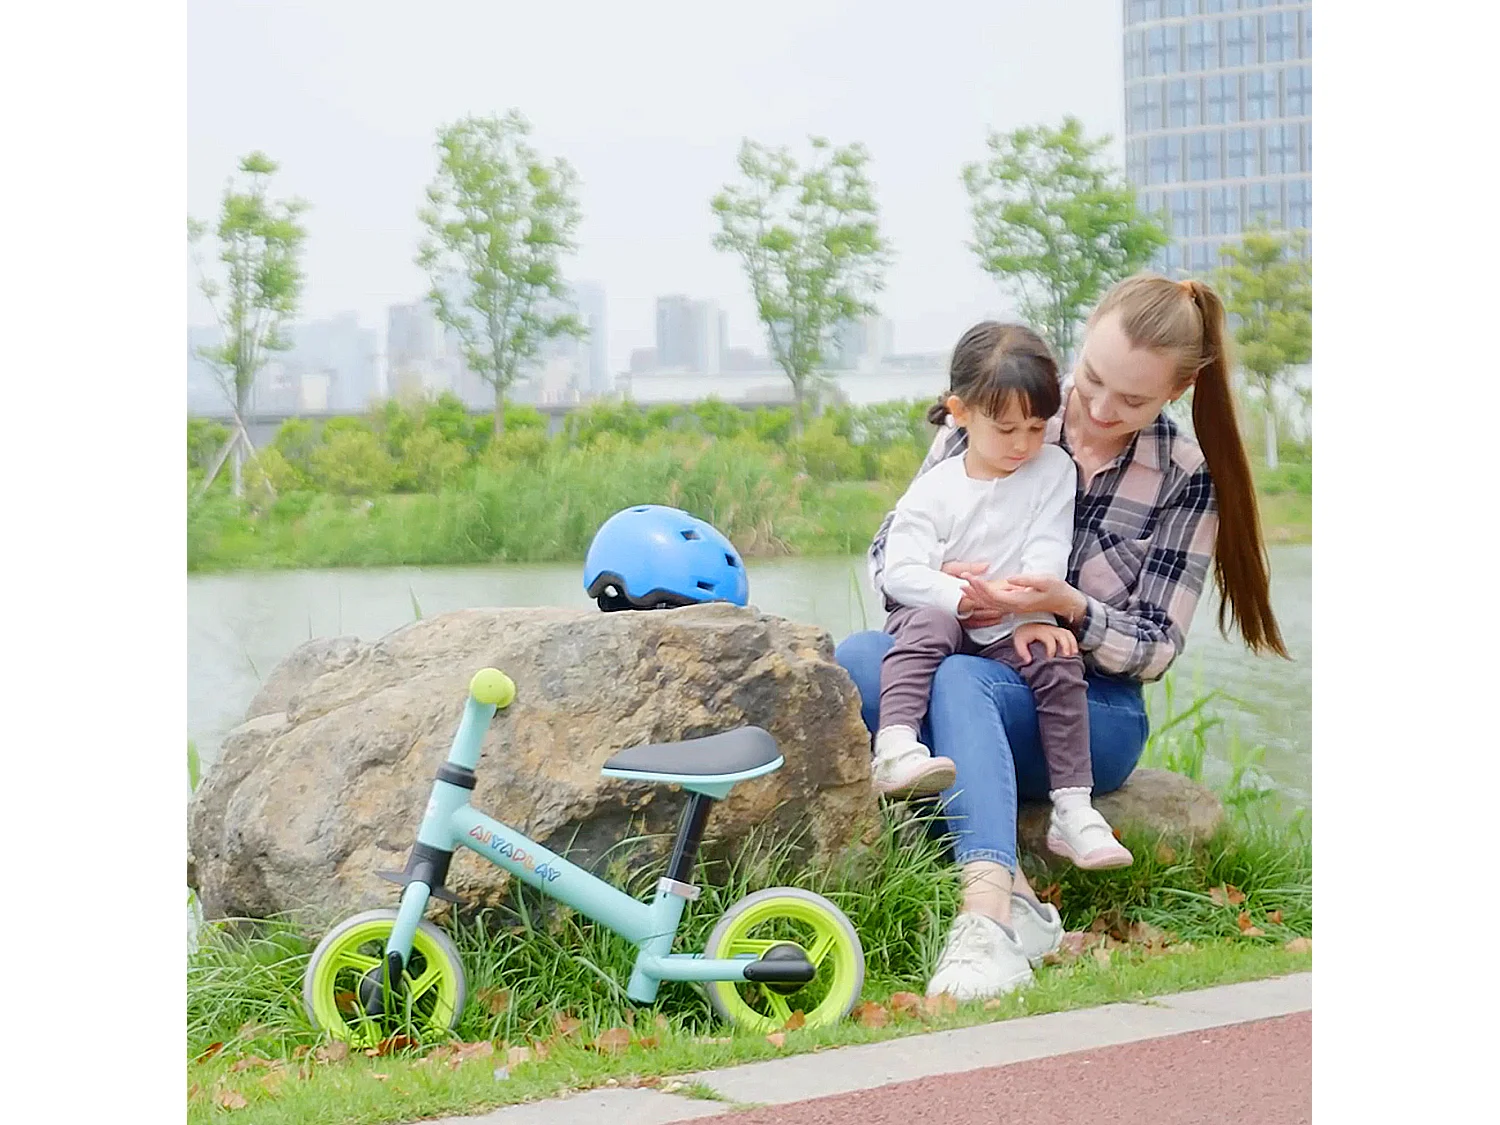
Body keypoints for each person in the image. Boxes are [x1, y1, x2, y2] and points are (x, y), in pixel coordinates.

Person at [837, 273, 1287, 1002]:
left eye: (1132, 400)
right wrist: (941, 578)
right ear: (1082, 340)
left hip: (1086, 707)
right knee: (858, 660)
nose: (1102, 409)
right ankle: (1018, 896)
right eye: (1094, 379)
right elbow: (890, 551)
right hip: (969, 649)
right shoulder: (1007, 401)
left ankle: (984, 915)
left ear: (1178, 390)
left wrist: (1072, 607)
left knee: (961, 683)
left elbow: (1156, 646)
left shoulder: (1185, 477)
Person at [872, 322, 1133, 872]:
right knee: (930, 625)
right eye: (1006, 428)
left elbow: (1048, 544)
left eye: (1036, 428)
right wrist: (958, 596)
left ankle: (1073, 809)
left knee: (1057, 658)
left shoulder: (1052, 470)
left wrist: (1035, 612)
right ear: (960, 412)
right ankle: (895, 746)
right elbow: (899, 570)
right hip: (943, 615)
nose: (1022, 445)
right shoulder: (934, 489)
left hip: (1011, 623)